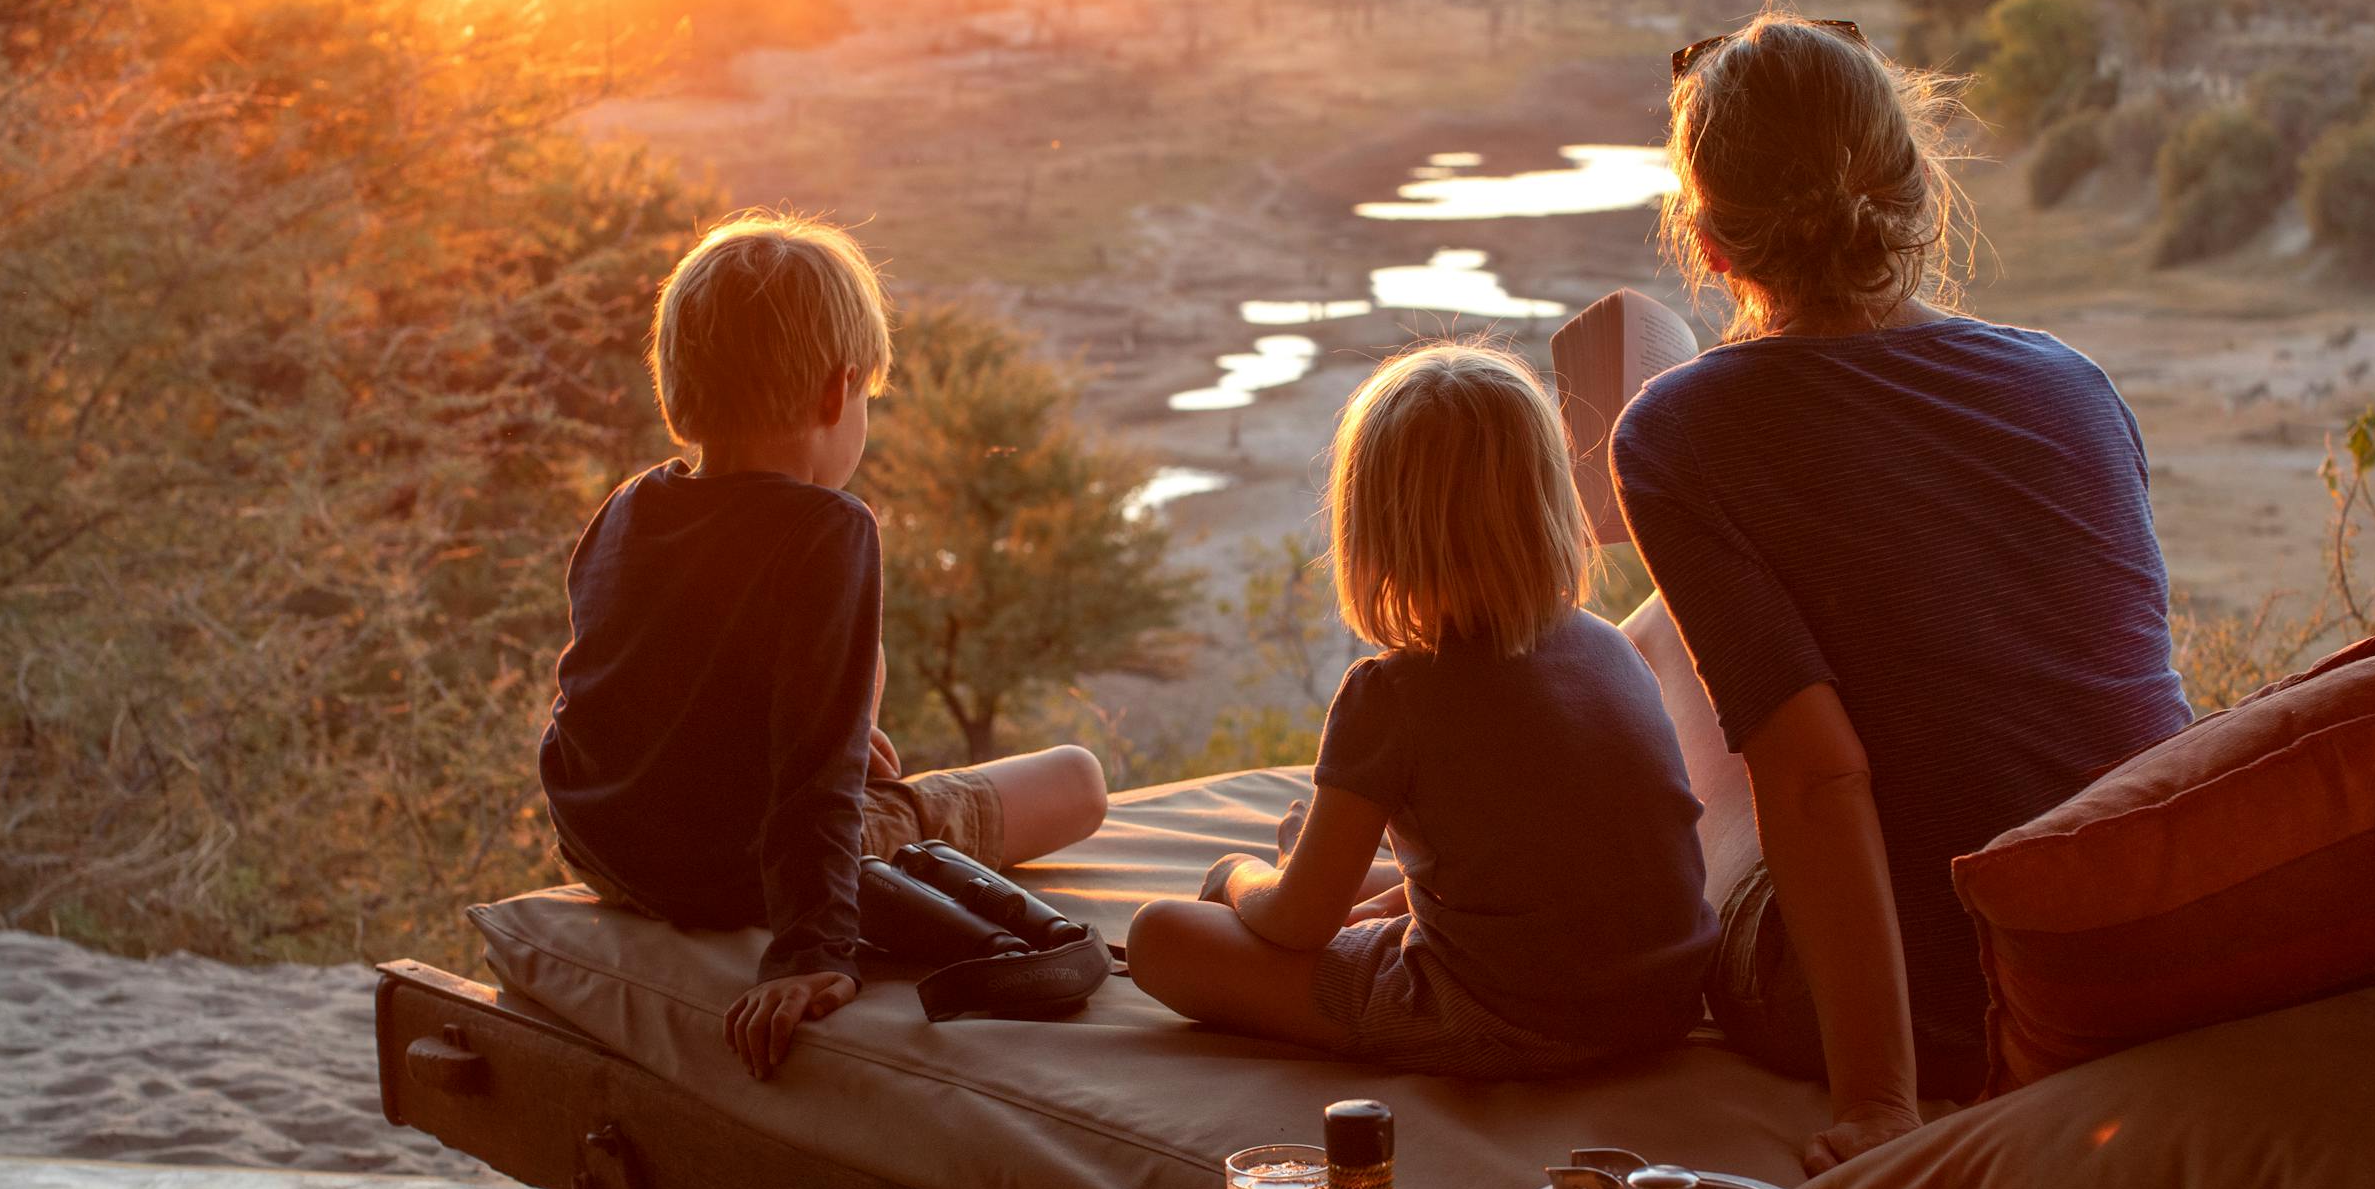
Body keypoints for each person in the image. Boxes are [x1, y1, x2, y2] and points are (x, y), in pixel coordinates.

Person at [1611, 8, 2192, 1174]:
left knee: (1665, 651)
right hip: (2145, 941)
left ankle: (1443, 863)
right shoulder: (2071, 383)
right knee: (1678, 631)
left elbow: (1819, 774)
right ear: (1922, 192)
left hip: (1939, 1003)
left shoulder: (1678, 432)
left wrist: (1885, 1100)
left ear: (1711, 243)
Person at [539, 212, 1108, 1081]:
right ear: (838, 394)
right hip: (735, 865)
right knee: (1077, 781)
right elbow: (810, 778)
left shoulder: (630, 505)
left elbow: (622, 684)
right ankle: (894, 825)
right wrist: (812, 951)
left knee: (851, 729)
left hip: (605, 844)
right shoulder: (827, 528)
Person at [1126, 343, 1717, 1079]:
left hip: (1513, 1019)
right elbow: (1553, 859)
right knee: (1362, 867)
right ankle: (1332, 878)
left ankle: (1285, 874)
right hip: (1663, 998)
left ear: (1373, 533)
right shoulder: (1610, 647)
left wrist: (1243, 879)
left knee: (1161, 936)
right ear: (1549, 502)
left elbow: (1299, 923)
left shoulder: (1392, 694)